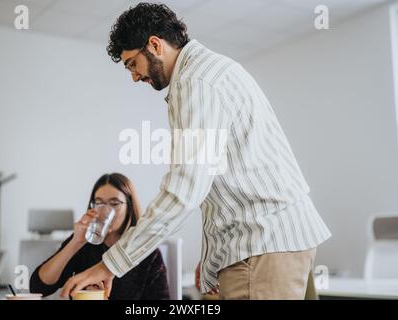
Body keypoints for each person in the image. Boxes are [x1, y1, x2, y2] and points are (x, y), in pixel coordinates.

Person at [61, 3, 331, 300]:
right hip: (282, 240)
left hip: (261, 245)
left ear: (154, 45)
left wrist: (109, 265)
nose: (134, 76)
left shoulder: (196, 83)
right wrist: (215, 254)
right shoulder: (211, 71)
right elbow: (213, 185)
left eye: (131, 64)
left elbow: (184, 189)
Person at [30, 173, 170, 299]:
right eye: (99, 203)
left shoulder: (144, 251)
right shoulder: (83, 243)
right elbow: (38, 287)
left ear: (129, 207)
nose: (105, 210)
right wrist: (75, 243)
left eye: (114, 203)